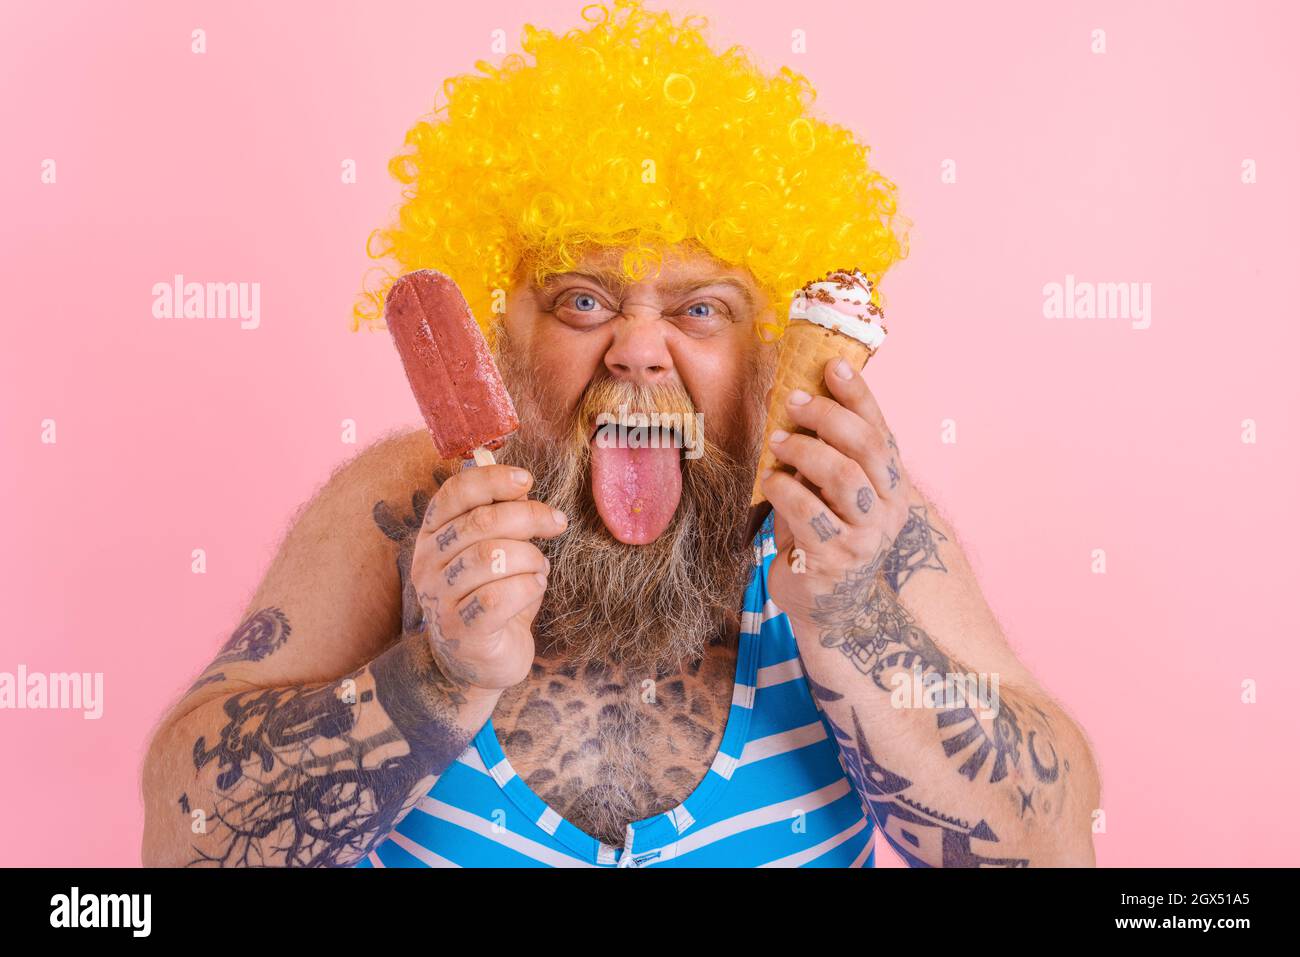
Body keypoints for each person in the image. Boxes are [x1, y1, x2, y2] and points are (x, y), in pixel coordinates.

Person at [140, 0, 1098, 868]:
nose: (639, 351)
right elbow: (180, 843)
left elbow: (1053, 849)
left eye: (702, 309)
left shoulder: (846, 523)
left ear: (768, 351)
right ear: (501, 335)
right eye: (582, 299)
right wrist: (436, 675)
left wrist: (852, 619)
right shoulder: (409, 507)